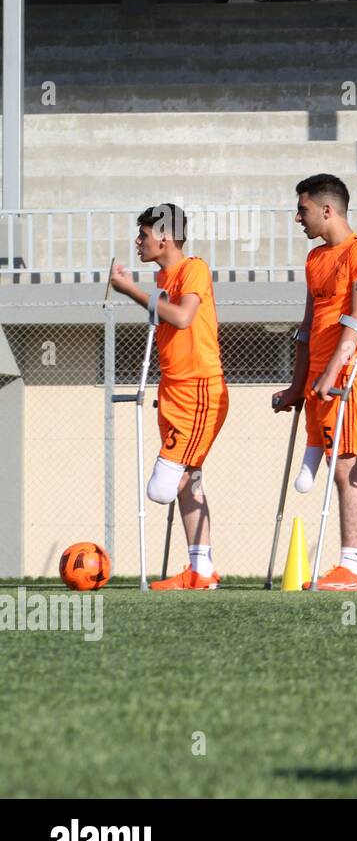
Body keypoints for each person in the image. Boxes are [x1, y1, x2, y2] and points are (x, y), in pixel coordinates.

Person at [110, 204, 229, 590]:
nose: (137, 241)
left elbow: (181, 317)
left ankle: (201, 570)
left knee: (162, 488)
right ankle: (200, 570)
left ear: (164, 237)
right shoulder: (162, 276)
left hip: (199, 390)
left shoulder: (194, 268)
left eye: (143, 234)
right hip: (174, 390)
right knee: (189, 478)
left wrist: (131, 290)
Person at [272, 174, 357, 591]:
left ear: (326, 209)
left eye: (302, 210)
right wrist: (296, 385)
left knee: (344, 463)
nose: (297, 218)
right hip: (319, 378)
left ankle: (352, 567)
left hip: (345, 376)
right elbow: (306, 328)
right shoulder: (315, 258)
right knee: (324, 467)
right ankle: (347, 566)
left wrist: (333, 371)